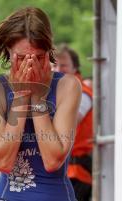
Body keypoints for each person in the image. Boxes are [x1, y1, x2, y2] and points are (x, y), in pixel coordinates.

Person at [0, 7, 82, 201]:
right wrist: (20, 98)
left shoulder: (67, 85)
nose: (30, 65)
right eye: (21, 58)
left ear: (49, 52)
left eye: (39, 58)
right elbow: (3, 162)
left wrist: (37, 97)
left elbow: (53, 161)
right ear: (9, 52)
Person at [55, 44, 93, 201]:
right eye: (54, 64)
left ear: (75, 67)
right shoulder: (57, 91)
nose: (58, 69)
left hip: (76, 170)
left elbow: (71, 119)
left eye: (63, 65)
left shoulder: (83, 92)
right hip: (60, 169)